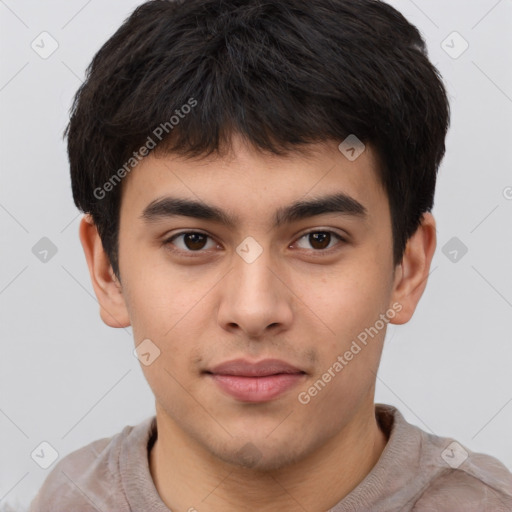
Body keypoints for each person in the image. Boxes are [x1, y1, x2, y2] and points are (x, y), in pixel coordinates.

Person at [29, 0, 512, 510]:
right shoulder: (66, 499)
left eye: (318, 239)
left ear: (407, 269)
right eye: (192, 240)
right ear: (108, 271)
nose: (254, 311)